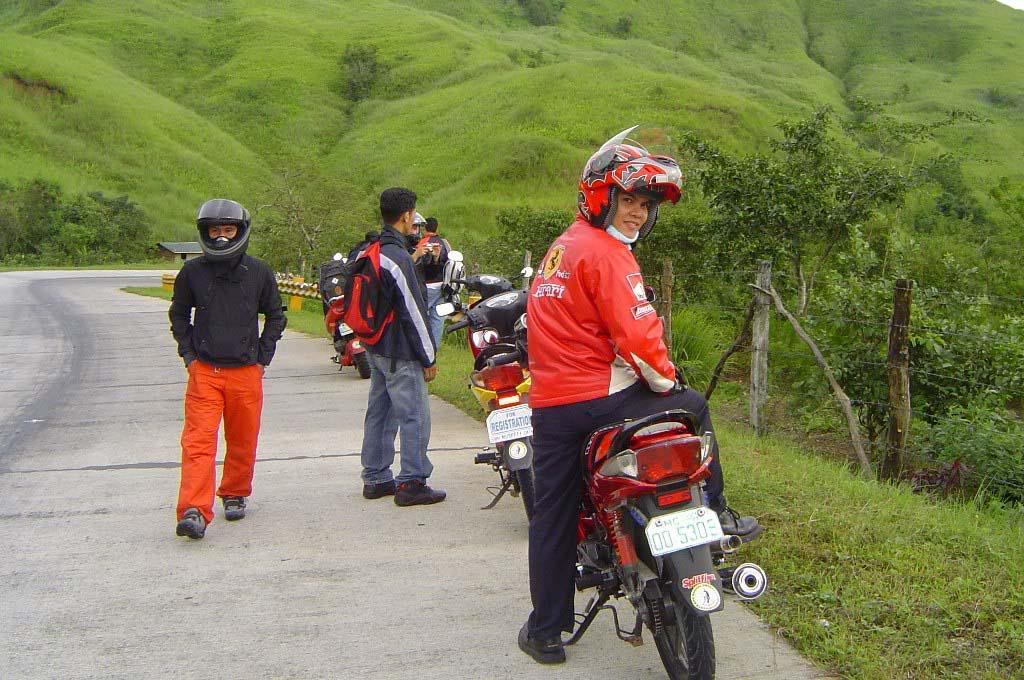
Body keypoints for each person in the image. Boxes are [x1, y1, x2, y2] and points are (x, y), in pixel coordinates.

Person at [518, 128, 760, 663]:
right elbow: (641, 342)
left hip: (553, 408)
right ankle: (718, 513)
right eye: (629, 199)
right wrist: (667, 384)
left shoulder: (561, 249)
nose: (638, 213)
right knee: (691, 406)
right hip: (602, 399)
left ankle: (545, 631)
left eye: (646, 204)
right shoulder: (608, 255)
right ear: (601, 197)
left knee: (553, 517)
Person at [169, 198, 287, 539]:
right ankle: (193, 510)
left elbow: (275, 316)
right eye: (215, 231)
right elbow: (179, 315)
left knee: (242, 438)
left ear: (240, 231)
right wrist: (189, 355)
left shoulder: (259, 271)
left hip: (246, 370)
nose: (221, 237)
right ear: (205, 233)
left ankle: (235, 492)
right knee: (197, 443)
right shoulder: (192, 272)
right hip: (205, 371)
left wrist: (263, 357)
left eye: (228, 230)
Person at [359, 188, 445, 506]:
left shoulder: (372, 249)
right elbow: (413, 311)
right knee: (415, 414)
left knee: (379, 412)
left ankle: (376, 477)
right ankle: (412, 480)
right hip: (400, 349)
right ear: (407, 215)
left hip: (376, 346)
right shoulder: (397, 258)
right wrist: (428, 356)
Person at [417, 216, 452, 347]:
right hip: (443, 284)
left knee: (420, 316)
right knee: (437, 319)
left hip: (427, 285)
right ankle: (433, 350)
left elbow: (420, 263)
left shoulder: (423, 242)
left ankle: (421, 348)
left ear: (424, 228)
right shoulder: (445, 243)